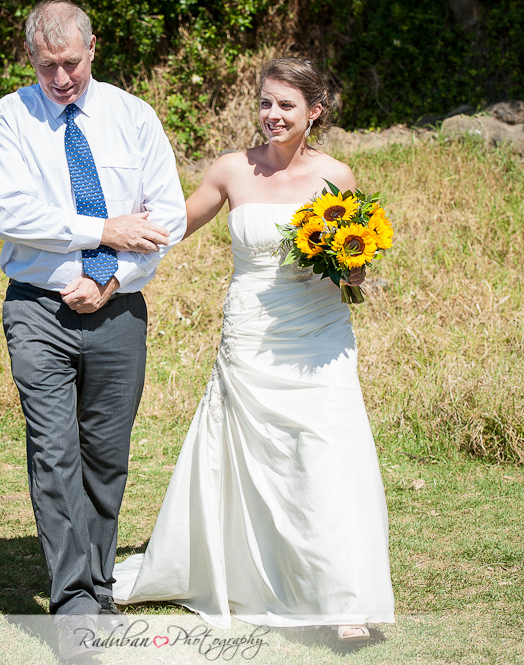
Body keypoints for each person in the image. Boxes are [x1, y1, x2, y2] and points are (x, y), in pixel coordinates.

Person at [112, 58, 395, 644]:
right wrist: (107, 252)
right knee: (251, 456)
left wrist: (352, 262)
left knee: (329, 453)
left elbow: (357, 267)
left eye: (286, 105)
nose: (272, 115)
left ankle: (343, 597)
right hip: (251, 336)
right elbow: (169, 229)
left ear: (314, 112)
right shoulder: (231, 171)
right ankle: (245, 571)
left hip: (318, 335)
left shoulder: (336, 177)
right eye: (265, 102)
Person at [0, 1, 187, 658]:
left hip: (119, 307)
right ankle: (71, 603)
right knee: (54, 450)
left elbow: (170, 215)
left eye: (71, 63)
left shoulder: (133, 116)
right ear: (29, 60)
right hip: (37, 308)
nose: (62, 77)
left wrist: (111, 276)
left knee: (106, 454)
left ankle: (98, 582)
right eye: (48, 67)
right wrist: (103, 231)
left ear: (92, 48)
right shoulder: (10, 118)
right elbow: (13, 212)